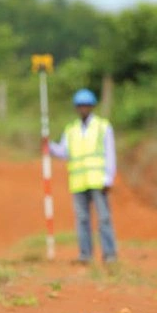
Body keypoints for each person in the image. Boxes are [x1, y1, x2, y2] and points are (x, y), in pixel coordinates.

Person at [50, 88, 117, 265]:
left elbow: (110, 153)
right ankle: (85, 254)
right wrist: (48, 145)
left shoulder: (103, 126)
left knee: (103, 218)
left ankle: (109, 254)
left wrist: (109, 178)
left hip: (98, 181)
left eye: (86, 105)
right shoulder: (71, 130)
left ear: (92, 106)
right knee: (82, 220)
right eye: (80, 106)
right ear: (76, 108)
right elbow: (64, 152)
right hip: (78, 182)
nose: (83, 109)